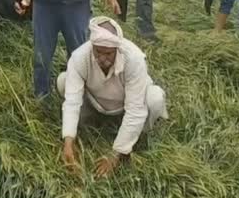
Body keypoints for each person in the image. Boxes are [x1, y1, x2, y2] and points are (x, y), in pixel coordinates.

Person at [58, 17, 167, 177]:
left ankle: (136, 139)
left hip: (124, 106)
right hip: (96, 101)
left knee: (155, 98)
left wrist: (115, 155)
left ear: (117, 48)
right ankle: (91, 123)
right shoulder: (80, 56)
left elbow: (135, 110)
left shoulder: (134, 58)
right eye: (98, 52)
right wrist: (68, 140)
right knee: (63, 81)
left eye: (108, 53)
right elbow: (72, 102)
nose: (102, 59)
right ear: (92, 46)